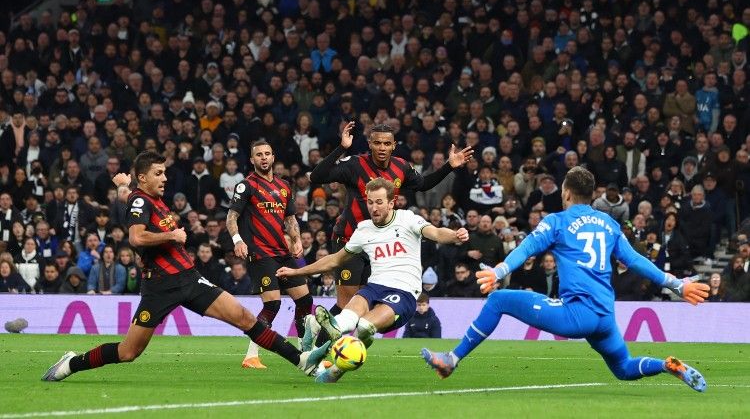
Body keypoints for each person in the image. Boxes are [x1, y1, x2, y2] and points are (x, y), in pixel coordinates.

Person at [42, 152, 330, 382]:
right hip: (160, 287)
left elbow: (127, 199)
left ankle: (301, 361)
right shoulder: (143, 201)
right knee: (128, 352)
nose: (165, 177)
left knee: (244, 318)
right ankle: (71, 363)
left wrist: (122, 187)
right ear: (143, 177)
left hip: (191, 280)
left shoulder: (143, 198)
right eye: (158, 173)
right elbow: (136, 236)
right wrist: (172, 235)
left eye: (164, 172)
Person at [421, 167, 710, 392]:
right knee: (622, 367)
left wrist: (499, 271)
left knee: (498, 299)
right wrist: (678, 284)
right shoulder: (609, 224)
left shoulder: (557, 221)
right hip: (605, 316)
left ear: (567, 193)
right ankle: (666, 364)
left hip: (576, 314)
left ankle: (452, 359)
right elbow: (635, 260)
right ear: (591, 195)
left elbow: (526, 248)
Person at [277, 178, 469, 383]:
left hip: (403, 293)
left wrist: (455, 236)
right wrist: (297, 272)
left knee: (365, 327)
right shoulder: (364, 229)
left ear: (391, 203)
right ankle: (316, 354)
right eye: (370, 202)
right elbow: (334, 260)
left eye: (379, 202)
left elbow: (436, 233)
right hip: (374, 287)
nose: (374, 207)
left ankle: (327, 354)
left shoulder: (407, 219)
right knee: (345, 320)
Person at [308, 122, 473, 333]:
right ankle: (319, 349)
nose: (382, 147)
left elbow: (423, 184)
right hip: (350, 239)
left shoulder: (401, 167)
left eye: (387, 143)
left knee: (366, 305)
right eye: (377, 143)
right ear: (370, 144)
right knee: (346, 304)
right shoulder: (355, 164)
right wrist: (342, 148)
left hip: (378, 243)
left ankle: (315, 329)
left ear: (394, 145)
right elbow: (316, 177)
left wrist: (449, 166)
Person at [227, 141, 314, 369]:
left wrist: (296, 240)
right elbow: (231, 217)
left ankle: (305, 350)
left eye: (267, 154)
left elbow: (290, 219)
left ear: (273, 157)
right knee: (272, 304)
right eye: (259, 155)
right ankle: (251, 356)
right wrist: (238, 240)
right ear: (252, 160)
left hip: (282, 253)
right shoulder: (246, 186)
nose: (264, 158)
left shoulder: (284, 186)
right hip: (260, 253)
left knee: (305, 300)